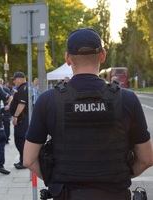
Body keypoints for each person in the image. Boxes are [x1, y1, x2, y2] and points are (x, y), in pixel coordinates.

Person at [23, 28, 153, 200]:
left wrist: (56, 184)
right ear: (103, 55)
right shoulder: (127, 99)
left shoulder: (47, 100)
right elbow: (146, 159)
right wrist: (118, 178)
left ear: (68, 58)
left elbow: (29, 160)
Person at [9, 72, 28, 170]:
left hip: (22, 119)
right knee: (20, 140)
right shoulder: (23, 88)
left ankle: (24, 162)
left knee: (20, 140)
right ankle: (22, 160)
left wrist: (15, 116)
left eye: (15, 79)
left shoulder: (23, 89)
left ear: (20, 79)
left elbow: (22, 104)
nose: (14, 81)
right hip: (23, 119)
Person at [0, 78, 12, 144]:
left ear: (2, 83)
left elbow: (11, 98)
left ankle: (6, 138)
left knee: (6, 123)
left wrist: (8, 105)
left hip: (5, 109)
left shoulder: (6, 90)